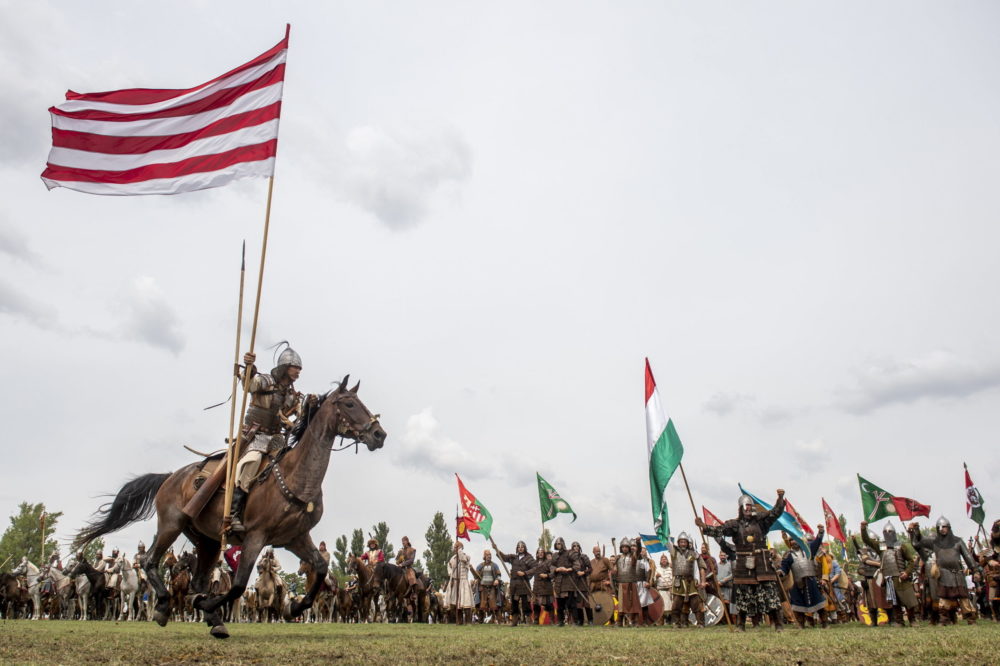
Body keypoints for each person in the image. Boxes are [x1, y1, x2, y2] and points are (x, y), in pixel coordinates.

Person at [229, 345, 306, 535]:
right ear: (285, 366)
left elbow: (290, 415)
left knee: (289, 463)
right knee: (252, 462)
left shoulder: (290, 394)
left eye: (299, 369)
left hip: (276, 438)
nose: (298, 371)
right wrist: (249, 367)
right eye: (295, 367)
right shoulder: (266, 380)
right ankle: (233, 512)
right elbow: (250, 385)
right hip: (255, 434)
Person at [697, 489, 787, 631]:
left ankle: (778, 624)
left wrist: (780, 499)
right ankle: (741, 625)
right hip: (743, 564)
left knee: (770, 594)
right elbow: (719, 530)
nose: (747, 509)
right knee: (743, 595)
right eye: (745, 507)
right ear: (740, 509)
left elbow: (776, 513)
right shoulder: (734, 524)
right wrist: (704, 527)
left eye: (750, 506)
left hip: (762, 562)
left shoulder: (762, 522)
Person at [908, 517, 981, 625]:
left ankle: (971, 618)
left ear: (949, 528)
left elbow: (968, 556)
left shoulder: (958, 541)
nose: (942, 529)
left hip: (958, 573)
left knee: (964, 598)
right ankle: (944, 619)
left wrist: (975, 570)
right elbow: (920, 542)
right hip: (944, 574)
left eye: (944, 527)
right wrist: (916, 530)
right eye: (939, 527)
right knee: (944, 598)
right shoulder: (935, 542)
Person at [861, 521, 918, 626]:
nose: (888, 534)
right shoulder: (881, 546)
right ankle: (900, 622)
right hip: (889, 579)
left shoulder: (901, 545)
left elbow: (911, 561)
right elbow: (866, 540)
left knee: (908, 601)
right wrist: (863, 528)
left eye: (890, 532)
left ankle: (912, 620)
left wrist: (906, 572)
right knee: (895, 603)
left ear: (894, 533)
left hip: (901, 578)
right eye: (886, 532)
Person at [780, 526, 828, 628]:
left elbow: (817, 541)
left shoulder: (809, 549)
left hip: (811, 581)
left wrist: (820, 532)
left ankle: (824, 622)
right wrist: (780, 572)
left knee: (818, 601)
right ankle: (801, 624)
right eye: (791, 540)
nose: (793, 542)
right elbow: (784, 568)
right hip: (797, 583)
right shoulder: (788, 555)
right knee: (798, 605)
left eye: (795, 539)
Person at [669, 533, 706, 628]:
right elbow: (667, 542)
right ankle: (676, 623)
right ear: (678, 543)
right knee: (677, 604)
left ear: (687, 543)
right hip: (678, 582)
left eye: (684, 542)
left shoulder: (694, 554)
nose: (683, 544)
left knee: (696, 603)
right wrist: (666, 533)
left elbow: (702, 567)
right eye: (681, 542)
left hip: (691, 581)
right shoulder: (674, 552)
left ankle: (700, 623)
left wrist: (702, 581)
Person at [496, 541, 535, 626]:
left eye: (522, 547)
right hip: (514, 584)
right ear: (517, 548)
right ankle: (514, 621)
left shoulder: (529, 558)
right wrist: (496, 549)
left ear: (525, 548)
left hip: (524, 583)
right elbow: (504, 557)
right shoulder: (513, 557)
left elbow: (535, 568)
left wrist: (524, 573)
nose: (520, 548)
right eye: (519, 547)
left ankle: (528, 620)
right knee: (514, 603)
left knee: (526, 604)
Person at [851, 531, 885, 627]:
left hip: (881, 577)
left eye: (873, 540)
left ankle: (890, 619)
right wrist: (854, 541)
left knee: (884, 599)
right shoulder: (864, 552)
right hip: (869, 579)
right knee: (871, 601)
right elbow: (859, 551)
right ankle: (873, 621)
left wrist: (875, 563)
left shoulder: (881, 550)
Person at [551, 537, 582, 626]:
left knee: (571, 604)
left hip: (569, 581)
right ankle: (560, 621)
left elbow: (577, 565)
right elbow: (551, 566)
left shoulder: (570, 553)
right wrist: (557, 569)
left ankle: (575, 621)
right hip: (558, 582)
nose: (558, 545)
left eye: (559, 544)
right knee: (560, 604)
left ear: (563, 544)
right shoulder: (555, 556)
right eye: (557, 544)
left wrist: (568, 569)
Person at [611, 537, 641, 627]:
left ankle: (634, 621)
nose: (624, 548)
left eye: (626, 547)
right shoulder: (618, 558)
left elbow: (638, 551)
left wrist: (638, 543)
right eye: (623, 547)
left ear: (629, 548)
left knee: (633, 603)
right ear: (621, 548)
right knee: (621, 603)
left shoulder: (633, 557)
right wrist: (614, 563)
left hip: (631, 583)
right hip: (621, 583)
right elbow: (614, 571)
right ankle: (619, 621)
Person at [444, 541, 474, 624]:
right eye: (455, 547)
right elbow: (449, 566)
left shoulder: (466, 556)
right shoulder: (452, 558)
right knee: (456, 603)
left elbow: (463, 559)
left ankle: (468, 622)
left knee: (466, 602)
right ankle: (459, 621)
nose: (455, 548)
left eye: (456, 547)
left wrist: (459, 550)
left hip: (463, 581)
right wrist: (451, 574)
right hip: (455, 582)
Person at [476, 550, 502, 623]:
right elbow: (476, 575)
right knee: (482, 604)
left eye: (490, 555)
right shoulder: (480, 566)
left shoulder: (495, 565)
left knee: (495, 605)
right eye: (487, 555)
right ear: (484, 556)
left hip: (492, 587)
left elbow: (499, 575)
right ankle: (480, 621)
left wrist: (497, 580)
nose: (489, 556)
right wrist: (476, 579)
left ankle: (499, 620)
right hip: (483, 587)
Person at [571, 541, 593, 625]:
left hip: (583, 582)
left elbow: (590, 569)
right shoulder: (570, 559)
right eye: (574, 546)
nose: (576, 547)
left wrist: (583, 572)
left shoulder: (584, 557)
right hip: (574, 582)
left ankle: (590, 620)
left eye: (577, 546)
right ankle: (580, 620)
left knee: (586, 603)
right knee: (578, 604)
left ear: (580, 548)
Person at [531, 549, 554, 625]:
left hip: (546, 586)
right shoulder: (534, 563)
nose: (540, 554)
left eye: (542, 552)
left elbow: (553, 573)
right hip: (537, 587)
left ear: (544, 554)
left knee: (549, 604)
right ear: (537, 554)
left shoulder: (548, 562)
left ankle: (551, 620)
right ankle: (536, 620)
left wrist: (546, 575)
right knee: (536, 605)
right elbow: (530, 572)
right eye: (539, 552)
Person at [654, 553, 674, 623]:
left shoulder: (671, 569)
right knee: (662, 607)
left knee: (671, 607)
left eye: (665, 559)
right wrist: (656, 577)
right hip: (661, 591)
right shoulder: (657, 570)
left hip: (670, 590)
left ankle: (671, 621)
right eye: (662, 559)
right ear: (660, 561)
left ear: (667, 560)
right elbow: (653, 581)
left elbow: (674, 579)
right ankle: (661, 622)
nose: (664, 560)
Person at [716, 547, 734, 618]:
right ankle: (723, 620)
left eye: (724, 555)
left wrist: (723, 581)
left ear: (726, 556)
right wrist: (717, 582)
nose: (723, 557)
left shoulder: (730, 565)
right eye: (721, 555)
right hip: (719, 587)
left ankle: (731, 620)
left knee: (728, 604)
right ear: (719, 556)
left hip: (728, 587)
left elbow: (732, 574)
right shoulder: (716, 565)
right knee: (721, 603)